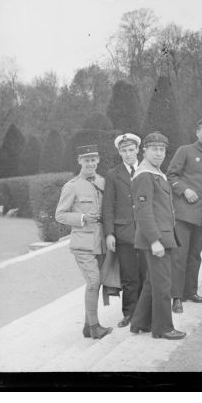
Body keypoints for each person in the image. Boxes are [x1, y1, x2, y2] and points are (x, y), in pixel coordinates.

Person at [129, 132, 185, 340]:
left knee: (153, 282)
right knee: (163, 285)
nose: (159, 153)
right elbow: (143, 212)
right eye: (154, 149)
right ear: (145, 151)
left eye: (162, 149)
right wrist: (154, 241)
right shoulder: (145, 174)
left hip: (162, 236)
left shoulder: (155, 172)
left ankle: (140, 322)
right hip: (156, 239)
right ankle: (163, 328)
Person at [55, 145, 112, 339]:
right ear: (79, 161)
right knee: (94, 282)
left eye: (93, 159)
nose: (90, 163)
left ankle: (88, 327)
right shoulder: (71, 186)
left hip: (101, 242)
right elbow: (60, 215)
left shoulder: (103, 182)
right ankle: (94, 327)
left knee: (98, 283)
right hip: (83, 243)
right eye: (86, 160)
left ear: (98, 160)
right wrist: (82, 218)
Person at [167, 117, 202, 312]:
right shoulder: (185, 151)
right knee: (179, 255)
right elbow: (171, 175)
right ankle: (176, 296)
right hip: (184, 213)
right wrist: (184, 190)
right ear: (197, 132)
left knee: (195, 255)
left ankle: (190, 291)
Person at [102, 133, 147, 328]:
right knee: (129, 275)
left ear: (137, 150)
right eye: (124, 151)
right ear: (119, 152)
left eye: (131, 150)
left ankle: (146, 311)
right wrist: (110, 233)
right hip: (124, 232)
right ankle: (129, 312)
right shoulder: (113, 174)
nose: (128, 154)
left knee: (146, 272)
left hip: (146, 231)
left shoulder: (147, 170)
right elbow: (108, 206)